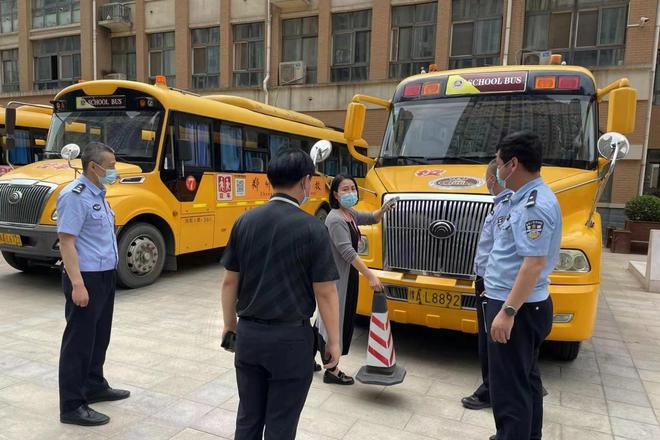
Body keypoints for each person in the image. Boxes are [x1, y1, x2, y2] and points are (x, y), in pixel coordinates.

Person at [220, 148, 341, 440]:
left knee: (248, 418)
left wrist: (230, 326)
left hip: (249, 337)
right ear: (305, 181)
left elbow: (229, 282)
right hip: (290, 341)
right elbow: (325, 292)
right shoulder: (313, 228)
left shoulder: (245, 221)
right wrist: (334, 341)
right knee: (281, 425)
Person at [484, 131, 562, 440]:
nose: (497, 169)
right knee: (525, 380)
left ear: (513, 164)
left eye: (499, 163)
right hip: (519, 303)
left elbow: (533, 265)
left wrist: (507, 311)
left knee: (509, 388)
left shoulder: (534, 205)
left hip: (517, 307)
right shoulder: (525, 198)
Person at [57, 142, 130, 426]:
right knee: (78, 342)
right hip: (85, 277)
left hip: (104, 275)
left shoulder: (98, 194)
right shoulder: (74, 196)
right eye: (111, 166)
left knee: (99, 336)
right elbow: (67, 242)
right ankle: (72, 405)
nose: (114, 170)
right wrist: (77, 284)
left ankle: (94, 385)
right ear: (93, 167)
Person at [316, 175, 394, 385]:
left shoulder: (349, 213)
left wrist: (382, 211)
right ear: (335, 194)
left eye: (353, 188)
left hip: (346, 275)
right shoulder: (335, 219)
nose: (350, 192)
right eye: (345, 189)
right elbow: (348, 253)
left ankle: (308, 358)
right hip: (336, 278)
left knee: (324, 319)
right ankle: (332, 370)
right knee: (334, 320)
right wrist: (371, 276)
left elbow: (369, 217)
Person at [461, 160, 512, 410]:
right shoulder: (501, 205)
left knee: (490, 341)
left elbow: (501, 249)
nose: (487, 182)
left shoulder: (506, 207)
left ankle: (491, 391)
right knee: (492, 338)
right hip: (489, 280)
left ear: (493, 179)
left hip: (491, 283)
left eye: (488, 177)